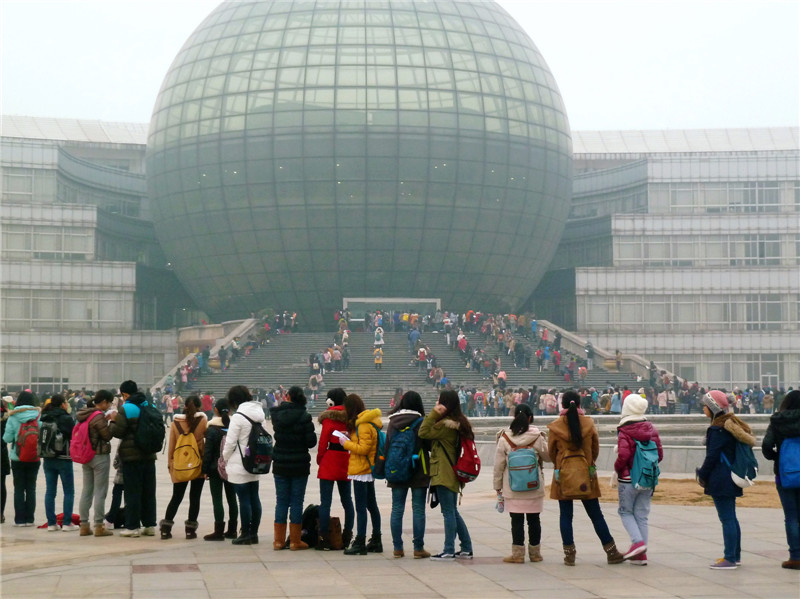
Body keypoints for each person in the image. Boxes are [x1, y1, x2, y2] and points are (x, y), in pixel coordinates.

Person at [547, 390, 625, 566]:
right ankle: (611, 552)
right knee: (596, 514)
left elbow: (552, 453)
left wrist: (562, 465)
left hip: (564, 475)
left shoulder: (555, 426)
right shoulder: (589, 424)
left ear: (563, 405)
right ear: (580, 404)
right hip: (586, 474)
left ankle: (569, 555)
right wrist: (587, 463)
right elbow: (595, 449)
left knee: (566, 515)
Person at [696, 390, 756, 569]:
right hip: (730, 475)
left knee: (727, 518)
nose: (703, 408)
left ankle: (729, 558)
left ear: (713, 407)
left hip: (721, 478)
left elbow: (712, 456)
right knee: (731, 518)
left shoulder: (717, 429)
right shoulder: (729, 426)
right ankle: (734, 555)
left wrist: (702, 474)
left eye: (705, 405)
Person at [419, 389, 474, 561]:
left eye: (439, 402)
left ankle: (449, 549)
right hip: (452, 472)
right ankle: (466, 548)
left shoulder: (445, 426)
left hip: (443, 472)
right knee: (453, 512)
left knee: (448, 512)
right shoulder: (459, 422)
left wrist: (434, 413)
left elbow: (423, 432)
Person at [493, 403, 550, 563]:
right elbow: (548, 457)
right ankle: (535, 554)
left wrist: (497, 486)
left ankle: (517, 555)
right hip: (534, 485)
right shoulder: (537, 436)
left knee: (516, 520)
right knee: (534, 520)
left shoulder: (505, 437)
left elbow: (499, 465)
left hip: (512, 487)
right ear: (530, 418)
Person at [614, 392, 663, 566]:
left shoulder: (625, 430)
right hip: (648, 478)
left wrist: (618, 469)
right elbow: (660, 455)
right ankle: (641, 555)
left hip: (628, 479)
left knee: (625, 512)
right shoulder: (651, 429)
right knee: (642, 515)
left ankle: (637, 543)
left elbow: (624, 455)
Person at [109, 380, 158, 537]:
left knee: (132, 492)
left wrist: (113, 420)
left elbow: (119, 432)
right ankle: (149, 525)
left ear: (124, 394)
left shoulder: (127, 408)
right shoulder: (149, 405)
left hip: (132, 457)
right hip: (149, 455)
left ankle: (132, 527)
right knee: (148, 491)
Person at [386, 390, 432, 559]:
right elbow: (430, 446)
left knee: (397, 509)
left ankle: (398, 548)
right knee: (418, 509)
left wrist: (386, 468)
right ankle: (418, 548)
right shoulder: (421, 422)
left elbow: (388, 446)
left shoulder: (393, 422)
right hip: (418, 470)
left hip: (397, 470)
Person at [271, 386, 317, 551]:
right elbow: (311, 442)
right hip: (299, 464)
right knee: (296, 502)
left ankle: (278, 541)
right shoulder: (304, 416)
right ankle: (295, 541)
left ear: (287, 396)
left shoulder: (276, 416)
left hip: (280, 464)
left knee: (281, 501)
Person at [338, 394, 382, 555]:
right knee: (371, 506)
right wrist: (350, 437)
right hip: (366, 469)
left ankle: (360, 541)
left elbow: (363, 449)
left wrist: (346, 443)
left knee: (361, 507)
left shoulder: (363, 425)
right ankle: (376, 540)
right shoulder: (366, 423)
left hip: (361, 470)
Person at [761, 389, 800, 569]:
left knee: (791, 516)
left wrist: (778, 458)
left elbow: (767, 446)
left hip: (785, 475)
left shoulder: (778, 420)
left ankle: (795, 557)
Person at [222, 385, 265, 545]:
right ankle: (253, 533)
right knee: (255, 498)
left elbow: (230, 443)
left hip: (240, 464)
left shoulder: (238, 417)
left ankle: (245, 533)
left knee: (244, 500)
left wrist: (223, 458)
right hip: (255, 462)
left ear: (234, 401)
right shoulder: (259, 415)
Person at [160, 395, 207, 540]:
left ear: (184, 406)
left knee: (177, 496)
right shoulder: (203, 421)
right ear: (199, 407)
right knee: (195, 497)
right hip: (197, 464)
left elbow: (172, 447)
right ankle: (190, 531)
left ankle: (166, 529)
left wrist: (171, 465)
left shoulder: (175, 423)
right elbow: (205, 445)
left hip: (180, 464)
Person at [315, 388, 354, 551]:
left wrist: (320, 459)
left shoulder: (329, 418)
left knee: (326, 502)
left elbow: (323, 442)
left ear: (330, 402)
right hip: (347, 460)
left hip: (330, 459)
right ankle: (347, 536)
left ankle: (323, 539)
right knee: (347, 501)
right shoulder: (352, 417)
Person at [76, 389, 114, 537]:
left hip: (87, 456)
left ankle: (84, 525)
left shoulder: (85, 414)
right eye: (109, 402)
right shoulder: (98, 416)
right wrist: (113, 421)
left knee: (87, 490)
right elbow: (107, 436)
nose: (109, 405)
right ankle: (99, 525)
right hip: (99, 456)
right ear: (103, 402)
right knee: (100, 491)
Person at [200, 397, 238, 541]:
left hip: (215, 469)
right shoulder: (234, 427)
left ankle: (218, 531)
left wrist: (205, 470)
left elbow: (208, 452)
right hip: (231, 467)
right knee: (232, 499)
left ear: (215, 410)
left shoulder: (212, 429)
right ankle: (233, 530)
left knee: (217, 499)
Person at [3, 390, 41, 527]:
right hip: (34, 457)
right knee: (31, 488)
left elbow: (6, 438)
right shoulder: (38, 416)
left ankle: (19, 520)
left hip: (17, 457)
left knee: (19, 488)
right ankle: (30, 519)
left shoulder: (13, 417)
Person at [40, 394, 77, 531]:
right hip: (64, 458)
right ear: (62, 404)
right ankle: (67, 523)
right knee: (68, 491)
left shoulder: (45, 416)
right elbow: (74, 435)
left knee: (50, 491)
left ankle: (51, 523)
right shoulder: (66, 418)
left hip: (48, 458)